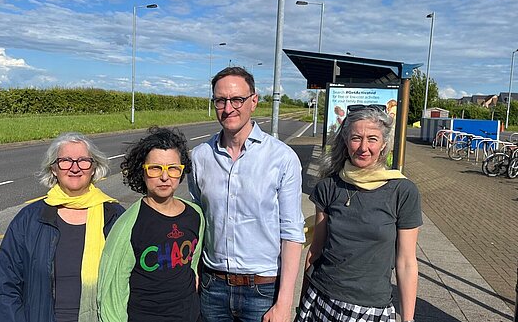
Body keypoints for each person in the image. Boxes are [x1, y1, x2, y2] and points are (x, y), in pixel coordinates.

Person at [188, 66, 305, 322]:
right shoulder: (199, 157)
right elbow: (198, 220)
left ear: (254, 101)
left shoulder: (282, 158)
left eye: (237, 99)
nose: (228, 107)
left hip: (262, 290)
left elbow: (292, 233)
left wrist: (284, 303)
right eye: (221, 100)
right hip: (212, 286)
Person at [295, 104, 422, 322]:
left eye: (372, 139)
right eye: (356, 138)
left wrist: (408, 319)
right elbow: (314, 252)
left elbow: (407, 262)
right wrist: (301, 306)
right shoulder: (329, 187)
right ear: (345, 142)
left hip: (371, 308)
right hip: (322, 299)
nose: (363, 147)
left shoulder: (402, 191)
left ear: (384, 145)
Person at [0, 132, 126, 322]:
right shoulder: (29, 220)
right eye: (65, 161)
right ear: (54, 168)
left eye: (83, 161)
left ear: (94, 167)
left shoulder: (115, 216)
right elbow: (6, 287)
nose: (75, 168)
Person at [98, 127, 205, 322]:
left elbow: (193, 264)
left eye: (173, 168)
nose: (165, 177)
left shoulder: (195, 215)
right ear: (142, 171)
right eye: (155, 168)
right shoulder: (128, 225)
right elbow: (113, 290)